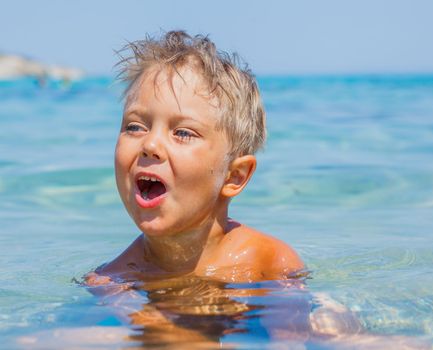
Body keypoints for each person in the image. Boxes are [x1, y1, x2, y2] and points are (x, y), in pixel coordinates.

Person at [86, 30, 304, 286]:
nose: (150, 144)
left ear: (235, 176)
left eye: (182, 132)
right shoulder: (113, 281)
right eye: (135, 127)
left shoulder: (269, 264)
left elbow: (293, 326)